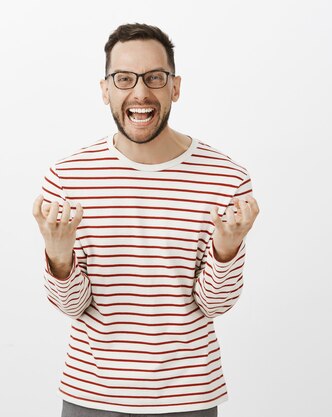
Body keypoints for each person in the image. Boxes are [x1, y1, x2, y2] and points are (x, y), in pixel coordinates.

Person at [32, 23, 260, 417]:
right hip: (92, 397)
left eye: (155, 78)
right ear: (105, 91)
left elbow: (215, 304)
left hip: (189, 399)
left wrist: (226, 249)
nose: (140, 92)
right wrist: (58, 255)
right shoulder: (69, 177)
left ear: (175, 87)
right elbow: (72, 306)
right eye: (124, 79)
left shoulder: (225, 179)